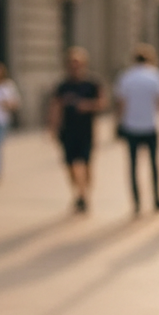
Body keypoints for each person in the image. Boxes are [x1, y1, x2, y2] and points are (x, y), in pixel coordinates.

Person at [113, 43, 159, 214]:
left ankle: (137, 202)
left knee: (133, 166)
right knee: (154, 164)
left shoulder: (126, 77)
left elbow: (121, 103)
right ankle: (157, 198)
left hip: (131, 125)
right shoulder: (156, 75)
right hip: (150, 125)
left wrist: (118, 122)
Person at [49, 47, 105, 213]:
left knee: (86, 164)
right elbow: (55, 107)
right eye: (72, 64)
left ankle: (84, 194)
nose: (75, 67)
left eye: (78, 64)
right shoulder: (63, 85)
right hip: (67, 130)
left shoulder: (92, 83)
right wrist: (52, 127)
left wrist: (86, 106)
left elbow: (102, 103)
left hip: (86, 130)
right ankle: (78, 192)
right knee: (70, 165)